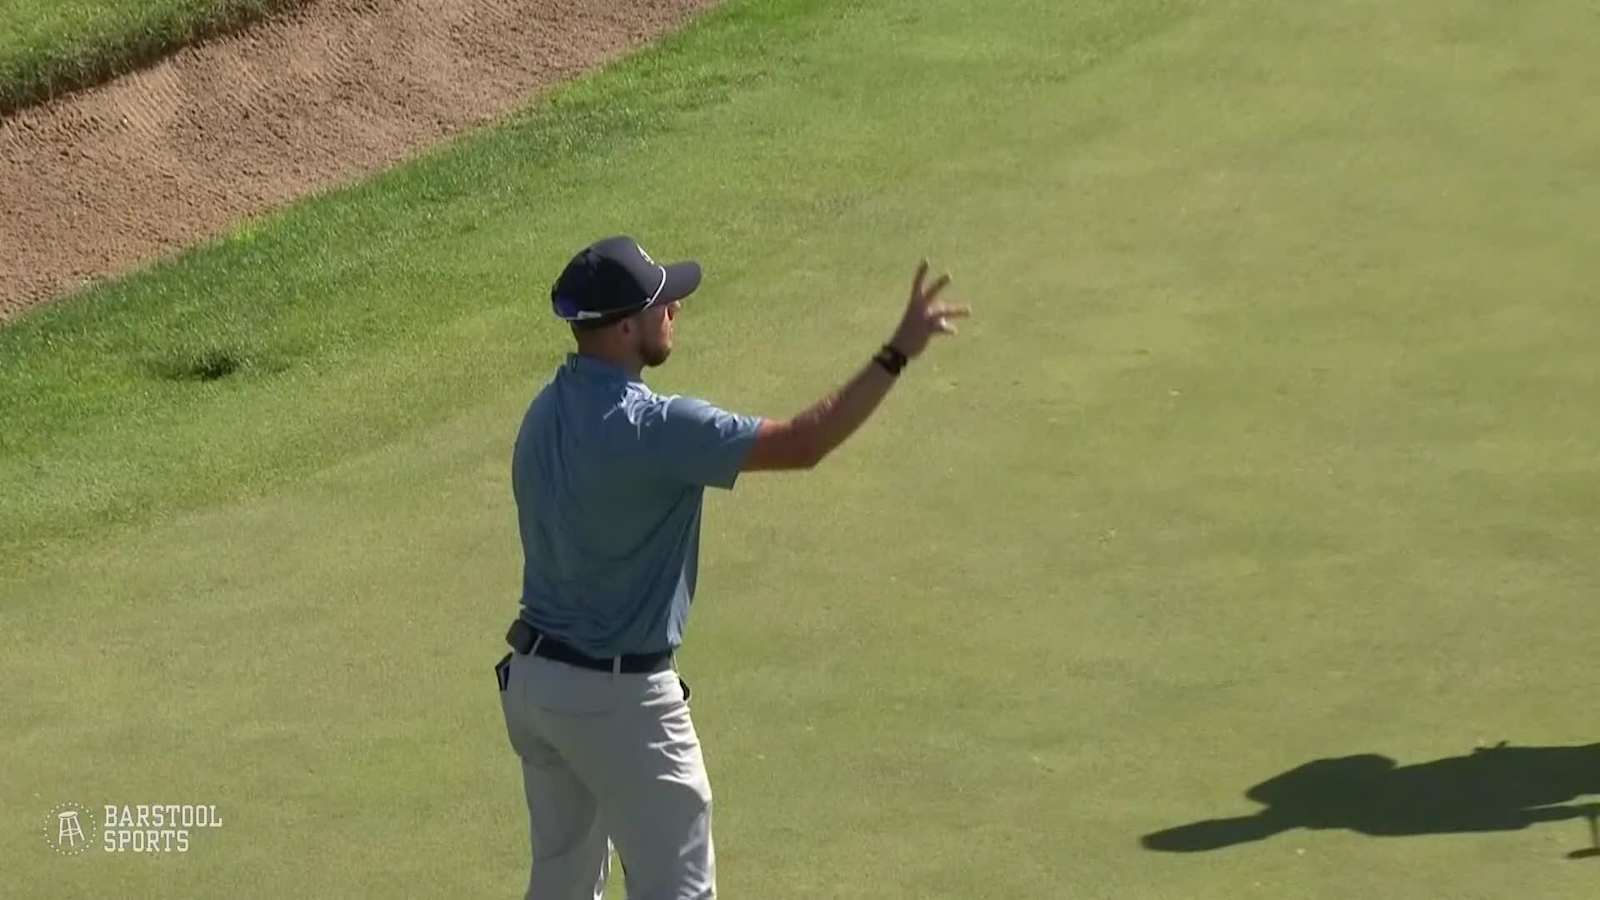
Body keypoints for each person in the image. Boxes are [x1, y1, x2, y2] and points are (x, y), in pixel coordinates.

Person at [495, 235, 970, 899]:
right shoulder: (656, 429)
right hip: (619, 701)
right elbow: (805, 443)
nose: (676, 309)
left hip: (537, 691)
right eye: (663, 302)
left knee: (562, 887)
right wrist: (897, 353)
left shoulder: (543, 411)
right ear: (626, 326)